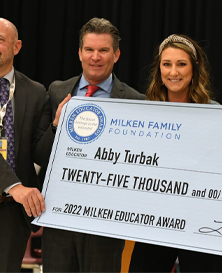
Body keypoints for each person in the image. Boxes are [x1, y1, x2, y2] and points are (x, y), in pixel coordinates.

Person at [41, 17, 145, 272]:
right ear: (79, 53)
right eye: (89, 49)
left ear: (116, 54)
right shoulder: (57, 91)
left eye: (103, 50)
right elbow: (40, 154)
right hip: (59, 219)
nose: (95, 57)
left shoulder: (135, 100)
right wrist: (56, 127)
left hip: (105, 224)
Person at [129, 34, 222, 272]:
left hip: (201, 224)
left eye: (182, 64)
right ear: (158, 69)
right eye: (167, 64)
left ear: (195, 68)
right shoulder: (144, 113)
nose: (174, 72)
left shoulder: (216, 114)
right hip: (155, 221)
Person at [0, 18, 55, 271]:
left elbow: (39, 153)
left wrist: (56, 127)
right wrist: (14, 186)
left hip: (11, 215)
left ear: (17, 47)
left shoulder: (37, 92)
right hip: (11, 193)